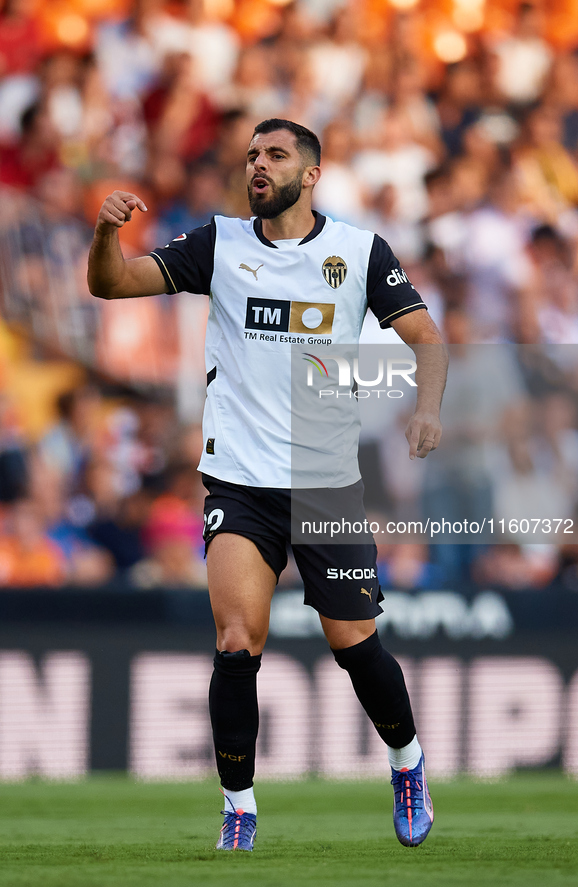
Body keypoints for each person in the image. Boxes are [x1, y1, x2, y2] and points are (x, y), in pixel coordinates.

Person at [87, 118, 447, 851]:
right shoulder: (217, 244)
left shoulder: (357, 251)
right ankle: (239, 807)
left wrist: (427, 410)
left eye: (275, 155)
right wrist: (103, 234)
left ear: (309, 174)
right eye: (252, 154)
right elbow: (113, 283)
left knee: (353, 642)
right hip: (238, 482)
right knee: (234, 641)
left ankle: (406, 764)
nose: (257, 165)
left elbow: (426, 338)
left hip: (325, 485)